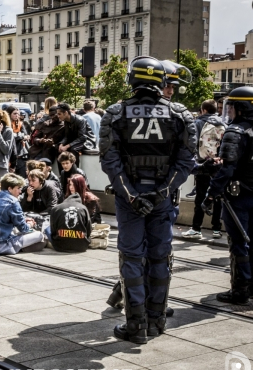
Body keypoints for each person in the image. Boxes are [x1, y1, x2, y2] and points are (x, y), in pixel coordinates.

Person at [99, 56, 196, 344]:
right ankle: (157, 320)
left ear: (132, 79)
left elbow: (109, 161)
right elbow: (186, 162)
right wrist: (162, 192)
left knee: (131, 258)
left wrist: (131, 194)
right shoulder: (180, 114)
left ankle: (136, 325)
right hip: (163, 198)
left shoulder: (115, 113)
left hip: (130, 197)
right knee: (160, 257)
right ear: (161, 82)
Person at [203, 87, 253, 305]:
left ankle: (240, 289)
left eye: (231, 106)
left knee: (239, 242)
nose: (228, 110)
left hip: (238, 195)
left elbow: (226, 168)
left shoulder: (235, 132)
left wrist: (210, 194)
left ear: (241, 108)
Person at [182, 99, 226, 240]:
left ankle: (196, 228)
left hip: (203, 165)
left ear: (204, 110)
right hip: (218, 165)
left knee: (200, 196)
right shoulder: (223, 124)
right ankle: (216, 229)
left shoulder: (197, 123)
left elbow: (191, 144)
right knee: (217, 196)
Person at [0, 173, 45, 255]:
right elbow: (24, 229)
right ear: (10, 188)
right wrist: (30, 224)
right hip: (2, 246)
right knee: (40, 235)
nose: (20, 191)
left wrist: (23, 220)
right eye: (18, 188)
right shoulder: (13, 201)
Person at [56, 103, 96, 167]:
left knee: (74, 149)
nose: (58, 116)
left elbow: (82, 137)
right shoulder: (66, 121)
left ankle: (75, 171)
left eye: (59, 114)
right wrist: (61, 144)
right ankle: (63, 174)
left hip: (87, 141)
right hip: (77, 140)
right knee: (58, 149)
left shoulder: (80, 120)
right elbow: (67, 136)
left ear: (66, 113)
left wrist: (67, 146)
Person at [7, 106, 30, 178]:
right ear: (9, 114)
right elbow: (11, 138)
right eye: (14, 113)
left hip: (20, 154)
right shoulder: (6, 124)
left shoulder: (20, 124)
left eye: (18, 114)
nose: (17, 115)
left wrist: (19, 136)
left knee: (22, 176)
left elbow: (26, 136)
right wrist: (20, 136)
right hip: (9, 155)